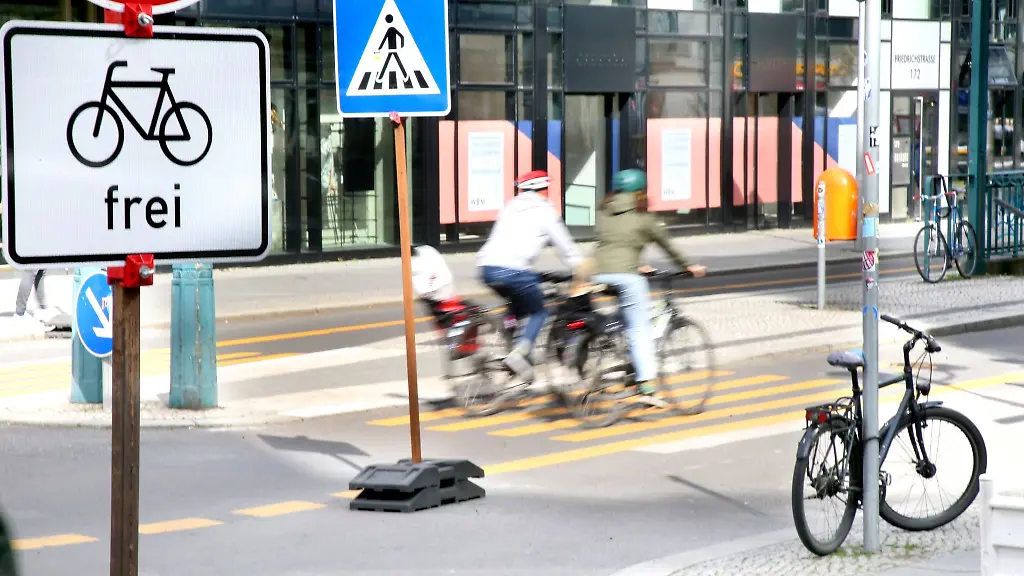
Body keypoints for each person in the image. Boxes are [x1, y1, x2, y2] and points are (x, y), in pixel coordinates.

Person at [591, 168, 706, 405]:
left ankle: (609, 345)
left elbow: (614, 242)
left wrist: (637, 263)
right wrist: (689, 265)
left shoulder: (603, 211)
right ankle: (647, 384)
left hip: (598, 273)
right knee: (640, 327)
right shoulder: (644, 218)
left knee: (624, 315)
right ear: (641, 192)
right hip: (626, 276)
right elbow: (667, 245)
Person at [477, 170, 583, 381]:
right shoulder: (544, 210)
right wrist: (580, 267)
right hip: (514, 270)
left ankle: (510, 340)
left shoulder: (510, 206)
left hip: (487, 267)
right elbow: (565, 247)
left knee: (517, 303)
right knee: (539, 311)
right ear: (543, 189)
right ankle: (518, 354)